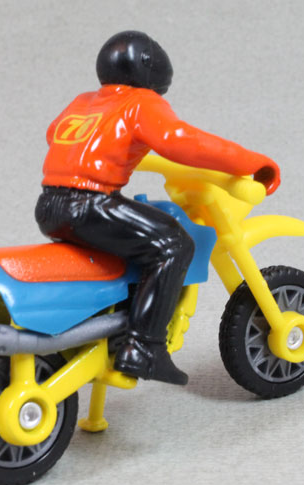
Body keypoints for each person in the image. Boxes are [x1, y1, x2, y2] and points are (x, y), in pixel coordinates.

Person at [35, 31, 280, 386]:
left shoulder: (84, 101)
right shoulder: (140, 102)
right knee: (173, 245)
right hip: (91, 205)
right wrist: (248, 162)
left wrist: (128, 152)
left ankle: (118, 326)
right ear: (149, 66)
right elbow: (180, 140)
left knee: (133, 248)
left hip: (50, 207)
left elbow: (54, 134)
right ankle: (143, 348)